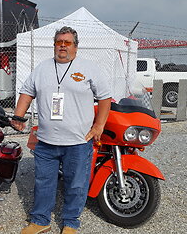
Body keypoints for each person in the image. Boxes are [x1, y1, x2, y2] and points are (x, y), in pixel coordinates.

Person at [12, 26, 111, 234]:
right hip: (47, 141)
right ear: (54, 45)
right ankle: (40, 220)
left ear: (76, 46)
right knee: (43, 182)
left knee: (76, 184)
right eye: (59, 42)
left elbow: (104, 97)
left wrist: (99, 125)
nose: (62, 46)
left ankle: (71, 223)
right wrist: (18, 116)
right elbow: (26, 92)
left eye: (67, 42)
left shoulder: (88, 68)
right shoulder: (42, 68)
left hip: (77, 141)